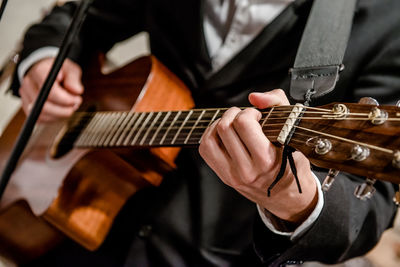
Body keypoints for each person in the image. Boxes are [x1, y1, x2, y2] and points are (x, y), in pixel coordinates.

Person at [9, 0, 400, 266]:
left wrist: (296, 203)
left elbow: (369, 205)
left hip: (204, 255)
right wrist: (42, 60)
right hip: (66, 228)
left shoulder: (389, 21)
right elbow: (84, 16)